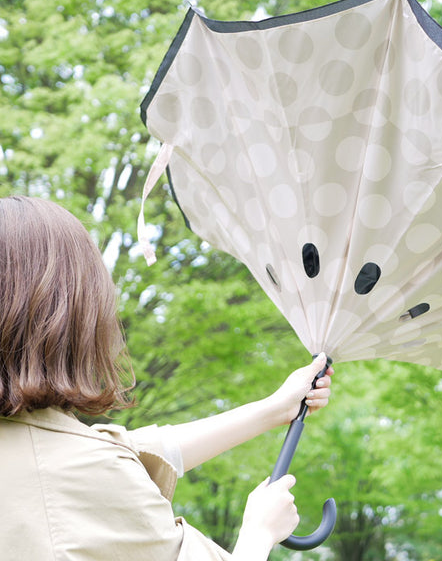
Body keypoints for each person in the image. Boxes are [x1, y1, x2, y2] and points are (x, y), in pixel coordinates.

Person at [0, 195, 334, 561]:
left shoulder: (50, 452)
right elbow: (95, 464)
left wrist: (274, 408)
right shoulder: (86, 473)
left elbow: (128, 449)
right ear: (72, 315)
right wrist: (260, 531)